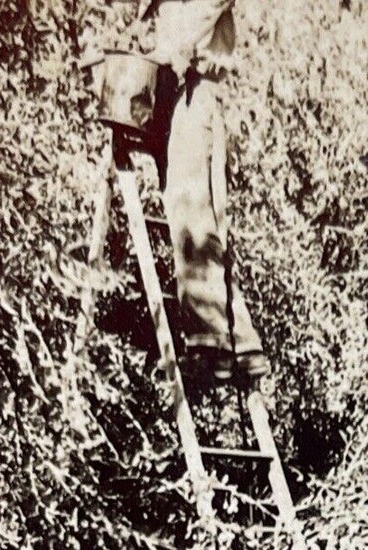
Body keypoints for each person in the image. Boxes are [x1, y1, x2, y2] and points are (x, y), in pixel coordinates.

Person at [140, 0, 268, 383]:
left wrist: (176, 47)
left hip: (198, 91)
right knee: (198, 216)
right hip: (188, 92)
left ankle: (210, 343)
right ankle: (241, 341)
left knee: (190, 213)